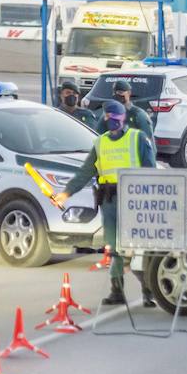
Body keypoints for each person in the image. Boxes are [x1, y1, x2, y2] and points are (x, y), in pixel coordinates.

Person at [53, 100, 160, 308]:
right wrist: (66, 193)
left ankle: (149, 291)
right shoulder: (100, 143)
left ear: (123, 118)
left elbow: (150, 170)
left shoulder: (137, 138)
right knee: (113, 247)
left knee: (138, 247)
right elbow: (86, 172)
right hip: (109, 201)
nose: (112, 122)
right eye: (108, 118)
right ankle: (117, 290)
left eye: (115, 118)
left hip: (134, 201)